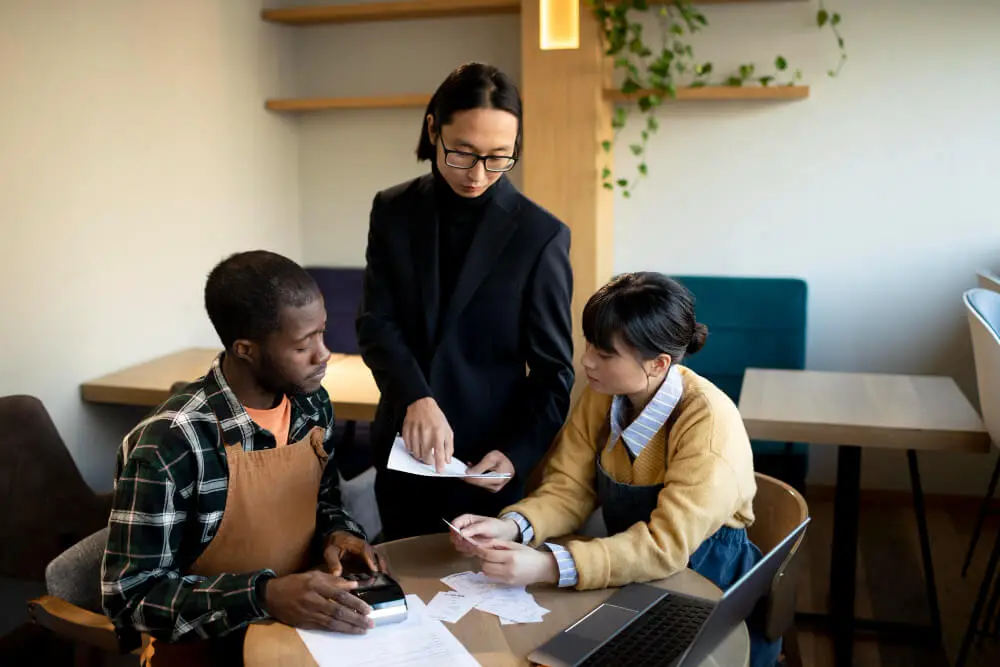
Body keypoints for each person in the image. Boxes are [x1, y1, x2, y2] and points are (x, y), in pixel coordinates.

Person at [449, 272, 782, 667]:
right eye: (590, 343)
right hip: (628, 567)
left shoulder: (707, 423)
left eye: (605, 354)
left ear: (658, 364)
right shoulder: (602, 396)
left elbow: (664, 547)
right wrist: (513, 526)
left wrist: (549, 564)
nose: (587, 360)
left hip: (706, 584)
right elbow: (568, 488)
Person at [102, 251, 388, 667]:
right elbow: (129, 599)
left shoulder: (312, 406)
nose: (323, 354)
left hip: (300, 627)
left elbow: (322, 502)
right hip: (206, 648)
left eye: (322, 334)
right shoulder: (168, 446)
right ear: (246, 349)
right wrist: (263, 595)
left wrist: (339, 536)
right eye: (302, 344)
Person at [356, 62, 575, 540]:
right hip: (402, 452)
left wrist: (517, 454)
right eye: (463, 153)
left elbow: (554, 373)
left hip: (485, 466)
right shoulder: (392, 210)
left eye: (499, 157)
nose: (478, 175)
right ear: (433, 128)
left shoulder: (540, 236)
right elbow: (376, 322)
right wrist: (416, 395)